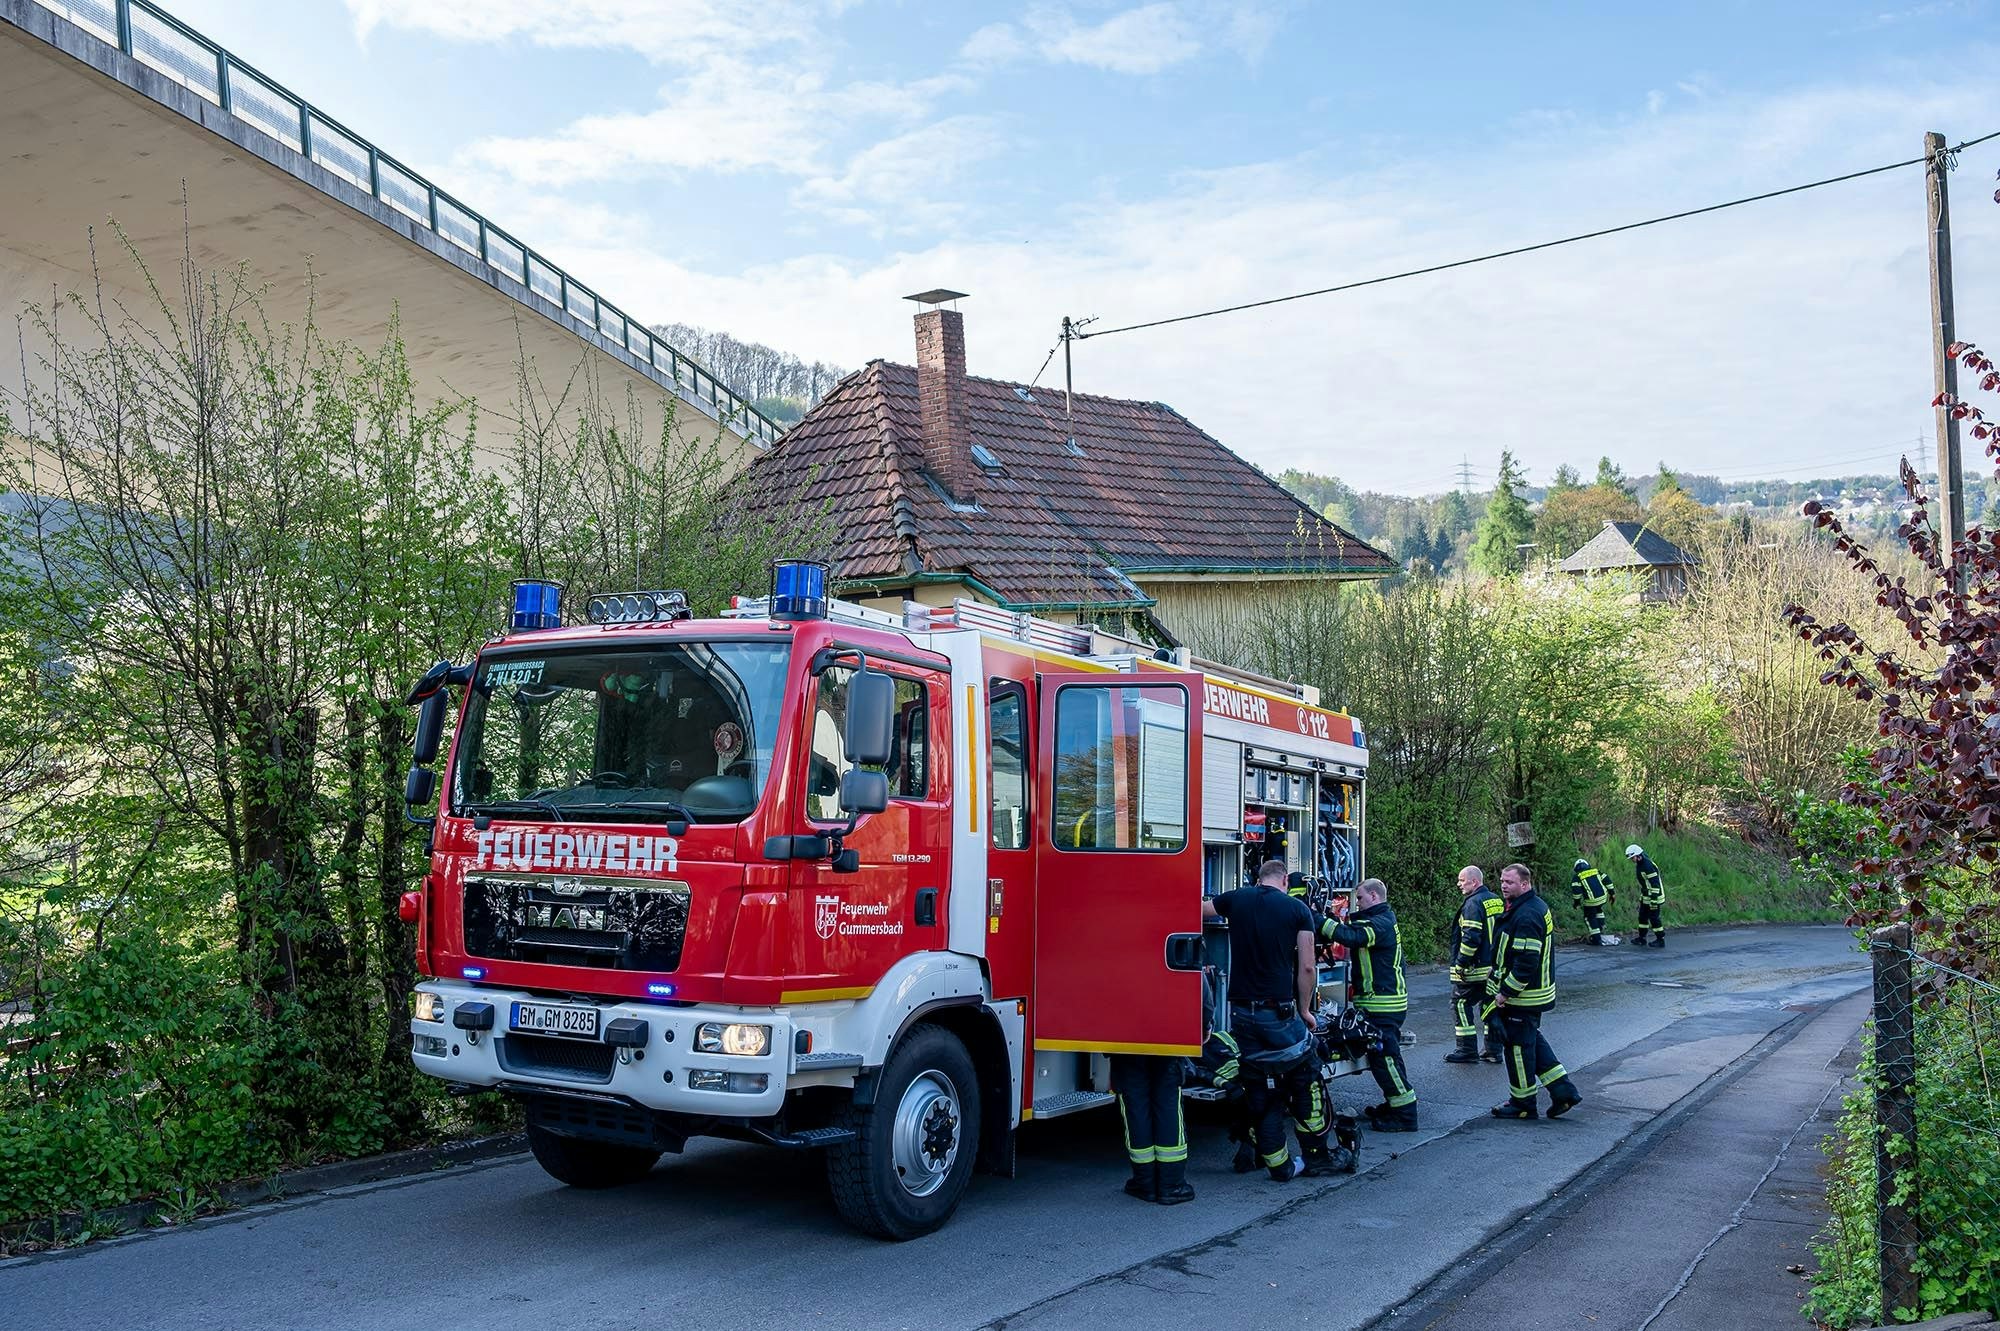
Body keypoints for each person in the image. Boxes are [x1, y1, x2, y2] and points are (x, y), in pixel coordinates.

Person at [1202, 859, 1340, 1179]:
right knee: (1307, 1072)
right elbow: (1307, 967)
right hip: (1277, 1013)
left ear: (1258, 878)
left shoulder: (1235, 898)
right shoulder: (1297, 910)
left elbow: (1196, 911)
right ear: (1283, 881)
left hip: (1241, 1014)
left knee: (1261, 1089)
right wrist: (1305, 1011)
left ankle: (1277, 1163)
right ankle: (1316, 1156)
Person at [1317, 877, 1418, 1131]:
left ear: (1374, 896)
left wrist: (1318, 920)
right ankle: (1396, 1104)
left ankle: (1405, 1115)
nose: (1356, 903)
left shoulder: (1380, 924)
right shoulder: (1381, 918)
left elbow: (1354, 937)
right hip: (1381, 1003)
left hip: (1383, 1004)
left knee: (1385, 1058)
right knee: (1385, 1058)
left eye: (1359, 898)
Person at [1488, 862, 1584, 1121]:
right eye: (1502, 881)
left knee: (1518, 1047)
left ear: (1525, 883)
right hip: (1532, 994)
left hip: (1524, 995)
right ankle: (1563, 1091)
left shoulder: (1528, 915)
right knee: (1532, 1040)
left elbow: (1526, 962)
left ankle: (1523, 1103)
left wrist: (1505, 992)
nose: (1504, 886)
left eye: (1509, 882)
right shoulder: (1526, 907)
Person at [1109, 1053, 1193, 1204]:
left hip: (1125, 1043)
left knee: (1135, 1106)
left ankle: (1145, 1183)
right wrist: (1205, 1028)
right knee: (1168, 1104)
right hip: (1168, 1041)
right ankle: (1172, 1185)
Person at [1446, 866, 1506, 1064]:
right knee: (1489, 1005)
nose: (1459, 884)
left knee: (1460, 1004)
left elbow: (1471, 937)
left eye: (1462, 880)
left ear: (1474, 882)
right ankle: (1493, 1050)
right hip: (1494, 967)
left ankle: (1466, 1050)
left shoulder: (1473, 904)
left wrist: (1461, 963)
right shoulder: (1496, 900)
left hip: (1475, 968)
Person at [1569, 857, 1621, 947]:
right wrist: (1612, 894)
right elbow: (1608, 881)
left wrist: (1576, 903)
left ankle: (1596, 939)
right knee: (1598, 909)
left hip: (1591, 901)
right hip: (1603, 898)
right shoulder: (1596, 871)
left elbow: (1576, 892)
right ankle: (1601, 926)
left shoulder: (1577, 877)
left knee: (1589, 918)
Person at [1626, 844, 1667, 947]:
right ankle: (1642, 938)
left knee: (1654, 918)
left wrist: (1653, 900)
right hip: (1646, 895)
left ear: (1638, 855)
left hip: (1654, 896)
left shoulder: (1647, 866)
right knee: (1642, 917)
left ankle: (1660, 939)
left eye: (1632, 858)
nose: (1632, 860)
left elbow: (1655, 884)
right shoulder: (1641, 864)